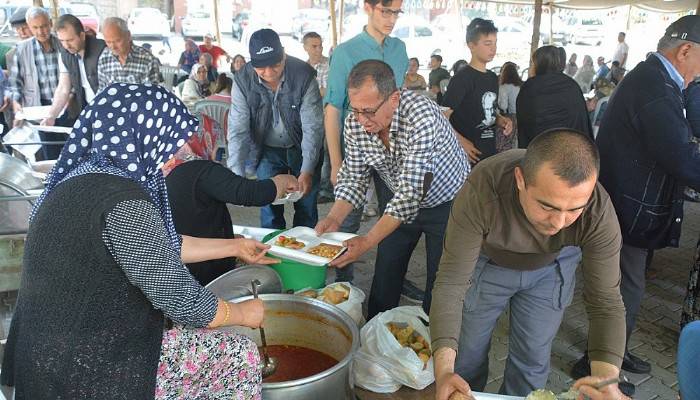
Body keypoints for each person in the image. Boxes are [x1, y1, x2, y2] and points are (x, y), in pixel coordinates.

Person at [0, 83, 274, 399]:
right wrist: (242, 314)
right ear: (143, 136)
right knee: (238, 353)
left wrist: (235, 246)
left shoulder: (81, 179)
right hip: (84, 368)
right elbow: (182, 301)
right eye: (169, 141)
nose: (172, 153)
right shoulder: (122, 201)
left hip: (44, 354)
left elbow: (158, 248)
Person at [430, 129, 626, 398]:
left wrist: (607, 383)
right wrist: (443, 372)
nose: (559, 223)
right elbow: (451, 282)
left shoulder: (598, 211)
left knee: (532, 361)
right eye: (547, 206)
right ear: (520, 180)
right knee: (466, 356)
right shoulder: (482, 189)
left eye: (574, 209)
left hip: (552, 267)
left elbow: (605, 301)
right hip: (489, 263)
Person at [573, 16, 700, 396]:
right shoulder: (655, 87)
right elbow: (680, 156)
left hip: (632, 201)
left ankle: (615, 351)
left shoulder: (659, 80)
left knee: (627, 285)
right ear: (685, 51)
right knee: (623, 288)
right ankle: (598, 361)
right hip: (627, 206)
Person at [316, 60, 469, 318]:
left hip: (449, 202)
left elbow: (411, 193)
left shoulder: (422, 115)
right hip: (397, 196)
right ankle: (376, 334)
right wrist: (333, 218)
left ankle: (432, 341)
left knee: (440, 280)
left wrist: (365, 241)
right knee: (387, 269)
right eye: (355, 110)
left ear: (395, 98)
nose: (362, 120)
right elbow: (353, 177)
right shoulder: (356, 123)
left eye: (369, 111)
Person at [323, 0, 408, 285]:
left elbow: (400, 100)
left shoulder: (399, 50)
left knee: (395, 214)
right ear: (368, 8)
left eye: (397, 12)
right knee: (346, 219)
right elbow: (333, 108)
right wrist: (337, 162)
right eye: (386, 11)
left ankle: (392, 275)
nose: (392, 19)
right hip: (357, 146)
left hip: (391, 149)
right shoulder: (346, 52)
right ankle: (342, 280)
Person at [163, 109, 298, 285]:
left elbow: (192, 220)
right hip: (210, 267)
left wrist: (229, 238)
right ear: (203, 138)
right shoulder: (200, 169)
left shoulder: (162, 170)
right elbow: (249, 193)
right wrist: (281, 181)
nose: (216, 152)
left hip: (183, 263)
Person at [228, 28, 323, 230]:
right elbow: (238, 129)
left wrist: (307, 170)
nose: (269, 73)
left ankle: (303, 256)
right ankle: (271, 256)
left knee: (306, 205)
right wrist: (235, 177)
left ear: (284, 54)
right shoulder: (242, 81)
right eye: (261, 68)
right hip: (267, 150)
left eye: (275, 65)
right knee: (269, 207)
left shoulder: (304, 76)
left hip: (301, 147)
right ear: (252, 63)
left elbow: (312, 128)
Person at [443, 18, 513, 164]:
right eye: (487, 43)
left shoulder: (492, 77)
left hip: (488, 151)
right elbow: (442, 117)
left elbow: (490, 110)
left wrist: (501, 120)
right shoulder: (461, 79)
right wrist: (461, 142)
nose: (493, 49)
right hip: (466, 155)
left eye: (495, 43)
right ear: (471, 45)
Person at [8, 7, 63, 160]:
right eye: (35, 27)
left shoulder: (62, 43)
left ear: (51, 23)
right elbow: (15, 82)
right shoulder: (22, 48)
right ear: (29, 26)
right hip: (38, 107)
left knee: (67, 147)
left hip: (64, 105)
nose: (41, 31)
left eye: (44, 26)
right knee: (48, 151)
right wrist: (16, 104)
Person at [516, 45, 592, 149]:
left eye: (533, 63)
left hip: (538, 152)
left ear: (540, 64)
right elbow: (581, 122)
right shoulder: (571, 85)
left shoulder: (530, 87)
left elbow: (524, 121)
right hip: (570, 149)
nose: (532, 67)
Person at [41, 14, 105, 128]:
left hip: (106, 110)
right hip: (86, 110)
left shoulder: (102, 50)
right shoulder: (64, 54)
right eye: (62, 41)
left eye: (70, 40)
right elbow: (63, 89)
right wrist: (51, 116)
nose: (66, 45)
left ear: (82, 35)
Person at [97, 17, 160, 91]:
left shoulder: (147, 59)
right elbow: (102, 91)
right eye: (108, 42)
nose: (113, 47)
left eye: (117, 41)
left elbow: (153, 94)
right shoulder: (104, 58)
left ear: (128, 36)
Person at [497, 61, 521, 152]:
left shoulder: (504, 87)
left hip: (510, 117)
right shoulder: (521, 85)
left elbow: (503, 106)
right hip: (522, 116)